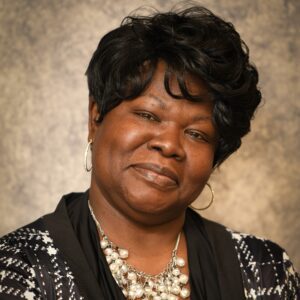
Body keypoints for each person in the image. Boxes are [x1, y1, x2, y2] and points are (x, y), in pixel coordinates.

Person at [0, 5, 299, 300]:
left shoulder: (263, 271)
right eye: (148, 115)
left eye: (196, 134)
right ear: (96, 117)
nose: (169, 144)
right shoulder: (18, 269)